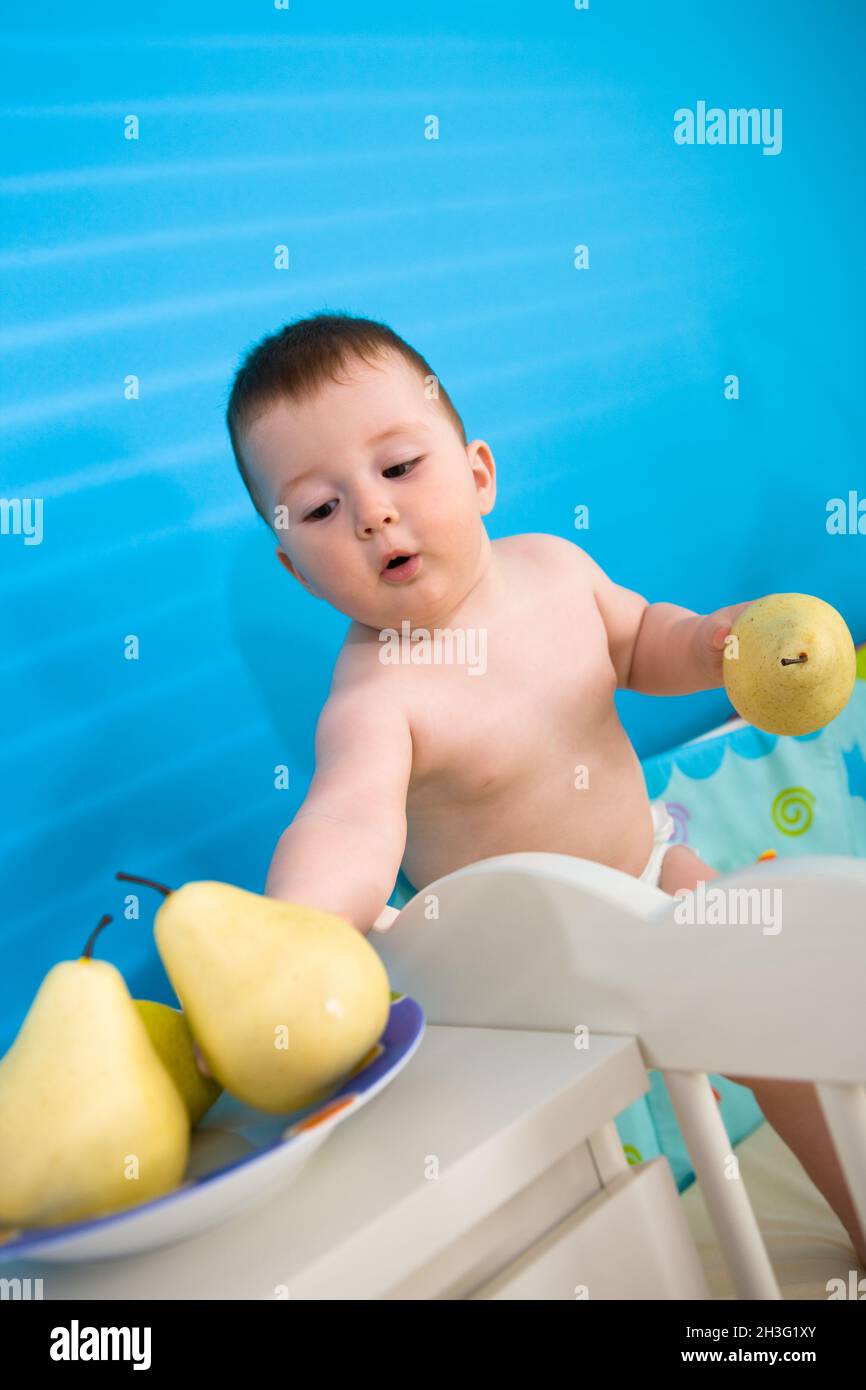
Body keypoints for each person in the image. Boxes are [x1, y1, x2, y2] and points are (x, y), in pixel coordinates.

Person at [222, 311, 865, 1268]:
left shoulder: (556, 571)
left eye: (400, 468)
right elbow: (348, 822)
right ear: (296, 569)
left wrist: (721, 643)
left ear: (478, 473)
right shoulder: (374, 698)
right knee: (539, 1151)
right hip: (527, 966)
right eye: (318, 510)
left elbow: (646, 639)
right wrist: (292, 937)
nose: (372, 514)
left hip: (647, 870)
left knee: (774, 1019)